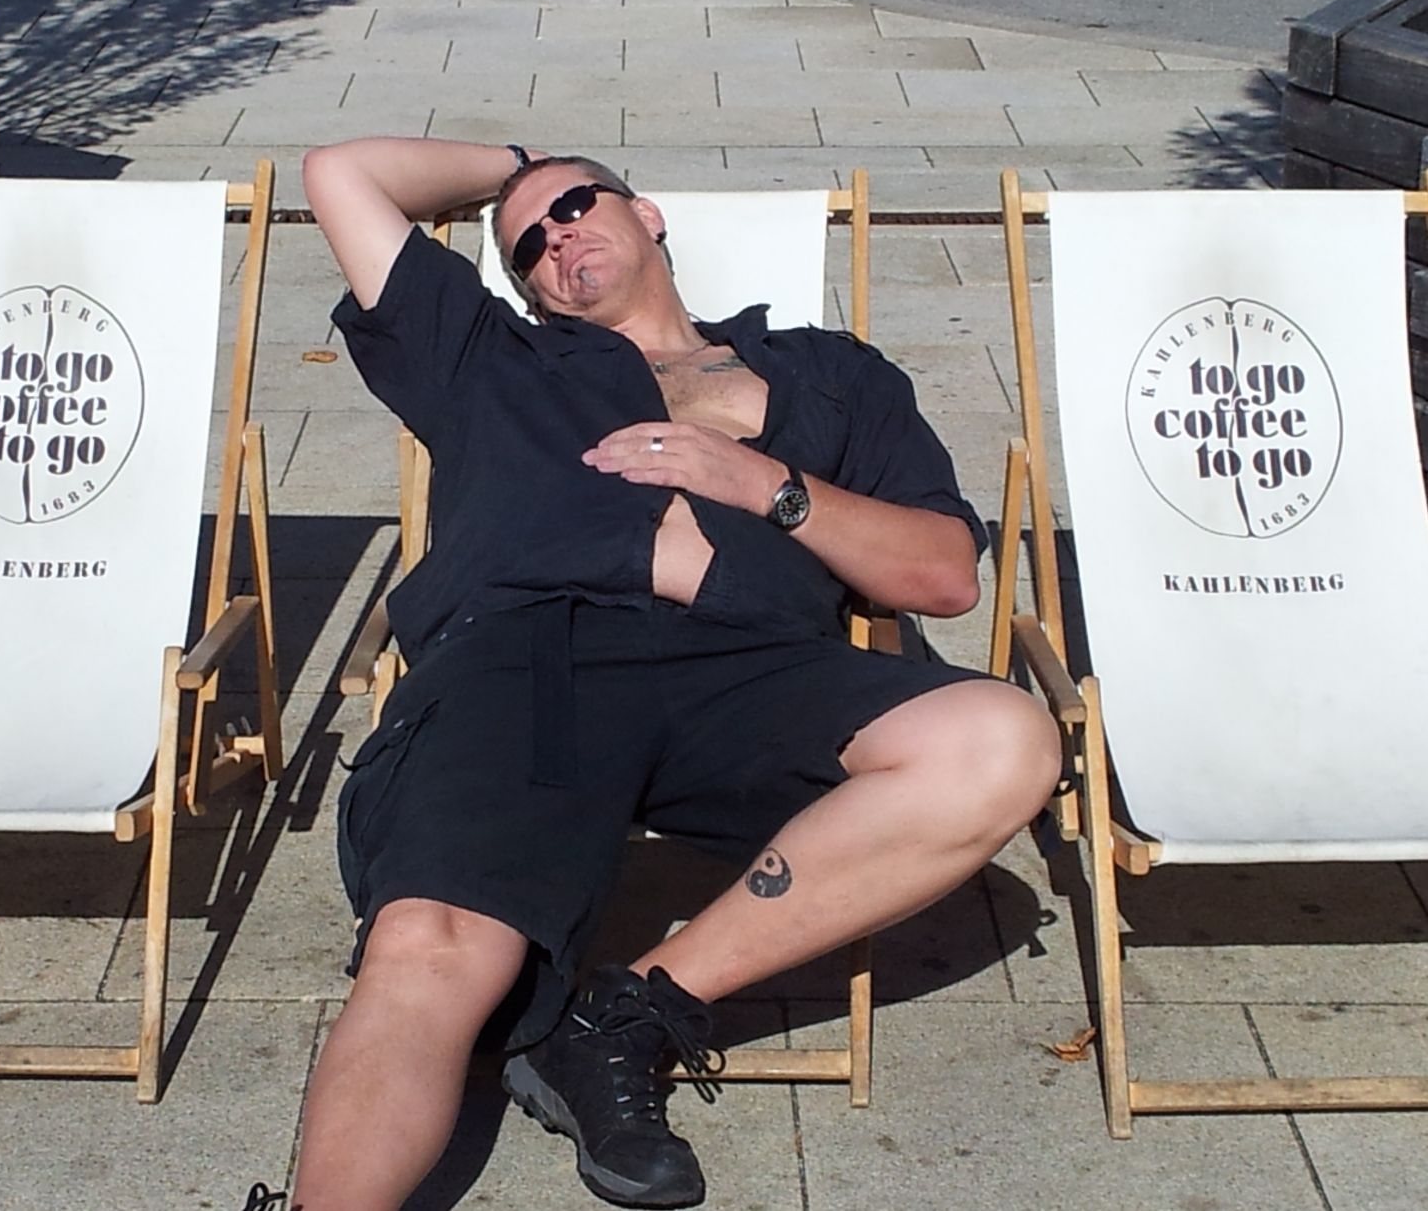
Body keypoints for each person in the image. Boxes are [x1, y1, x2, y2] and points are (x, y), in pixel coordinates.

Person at [274, 137, 1060, 1211]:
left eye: (574, 205)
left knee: (1002, 737)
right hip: (529, 663)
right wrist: (518, 163)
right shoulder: (491, 356)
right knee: (429, 944)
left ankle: (624, 1014)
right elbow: (340, 175)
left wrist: (763, 483)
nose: (553, 239)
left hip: (753, 666)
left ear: (646, 214)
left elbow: (941, 574)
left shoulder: (828, 373)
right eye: (526, 244)